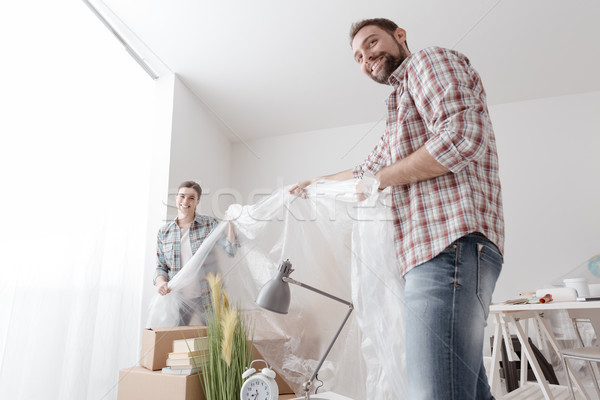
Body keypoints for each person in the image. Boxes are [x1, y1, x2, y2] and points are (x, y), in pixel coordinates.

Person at [290, 18, 504, 400]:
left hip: (448, 248)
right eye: (358, 56)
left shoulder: (427, 61)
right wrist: (315, 184)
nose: (366, 57)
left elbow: (461, 137)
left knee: (435, 392)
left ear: (400, 36)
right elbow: (367, 171)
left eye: (372, 43)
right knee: (467, 390)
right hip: (439, 255)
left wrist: (382, 179)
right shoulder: (400, 110)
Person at [154, 180, 237, 325]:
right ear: (176, 197)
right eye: (182, 196)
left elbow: (230, 250)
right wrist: (160, 282)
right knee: (177, 341)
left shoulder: (209, 224)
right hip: (178, 298)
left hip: (208, 296)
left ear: (197, 201)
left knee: (212, 340)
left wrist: (231, 224)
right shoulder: (164, 232)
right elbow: (161, 267)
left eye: (191, 198)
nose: (185, 201)